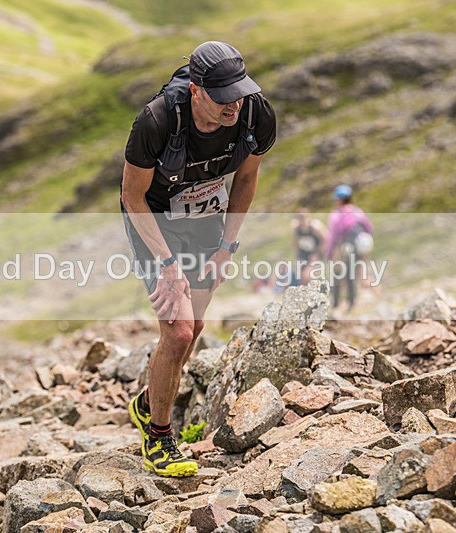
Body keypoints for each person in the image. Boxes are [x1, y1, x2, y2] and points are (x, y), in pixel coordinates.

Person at [122, 41, 276, 477]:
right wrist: (167, 266)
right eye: (223, 96)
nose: (234, 104)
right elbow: (131, 196)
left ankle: (150, 402)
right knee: (178, 331)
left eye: (240, 91)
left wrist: (228, 247)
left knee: (196, 329)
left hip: (206, 217)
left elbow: (246, 178)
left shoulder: (255, 114)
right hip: (155, 222)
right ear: (195, 91)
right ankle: (159, 436)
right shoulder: (157, 120)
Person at [325, 185, 373, 312]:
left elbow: (333, 237)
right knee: (352, 276)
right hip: (358, 248)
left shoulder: (336, 215)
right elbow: (369, 228)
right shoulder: (358, 212)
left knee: (337, 276)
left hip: (343, 249)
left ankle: (335, 304)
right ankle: (351, 303)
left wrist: (329, 253)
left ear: (339, 199)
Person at [288, 209, 327, 287]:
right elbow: (295, 243)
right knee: (301, 277)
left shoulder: (314, 227)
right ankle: (305, 294)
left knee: (308, 275)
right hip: (303, 254)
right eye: (300, 218)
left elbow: (324, 239)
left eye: (304, 217)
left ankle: (316, 290)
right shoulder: (296, 228)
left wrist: (318, 253)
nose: (302, 220)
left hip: (315, 254)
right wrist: (298, 254)